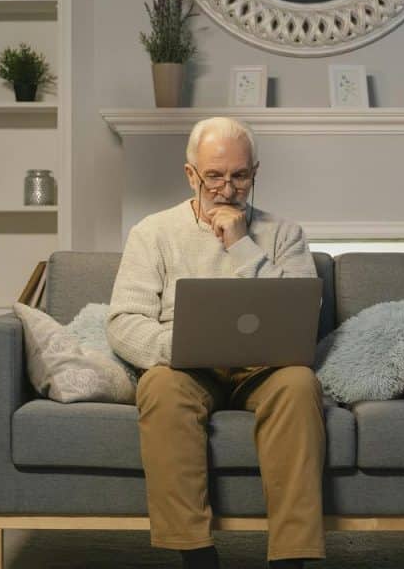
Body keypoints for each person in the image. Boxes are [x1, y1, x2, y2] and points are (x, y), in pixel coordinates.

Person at [107, 117, 325, 569]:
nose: (227, 188)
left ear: (255, 173)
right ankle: (195, 554)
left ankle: (291, 559)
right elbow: (124, 322)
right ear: (192, 175)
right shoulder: (153, 233)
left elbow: (301, 316)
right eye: (214, 175)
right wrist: (186, 345)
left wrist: (243, 245)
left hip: (266, 368)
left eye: (239, 175)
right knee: (159, 389)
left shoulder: (286, 234)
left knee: (300, 385)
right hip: (186, 365)